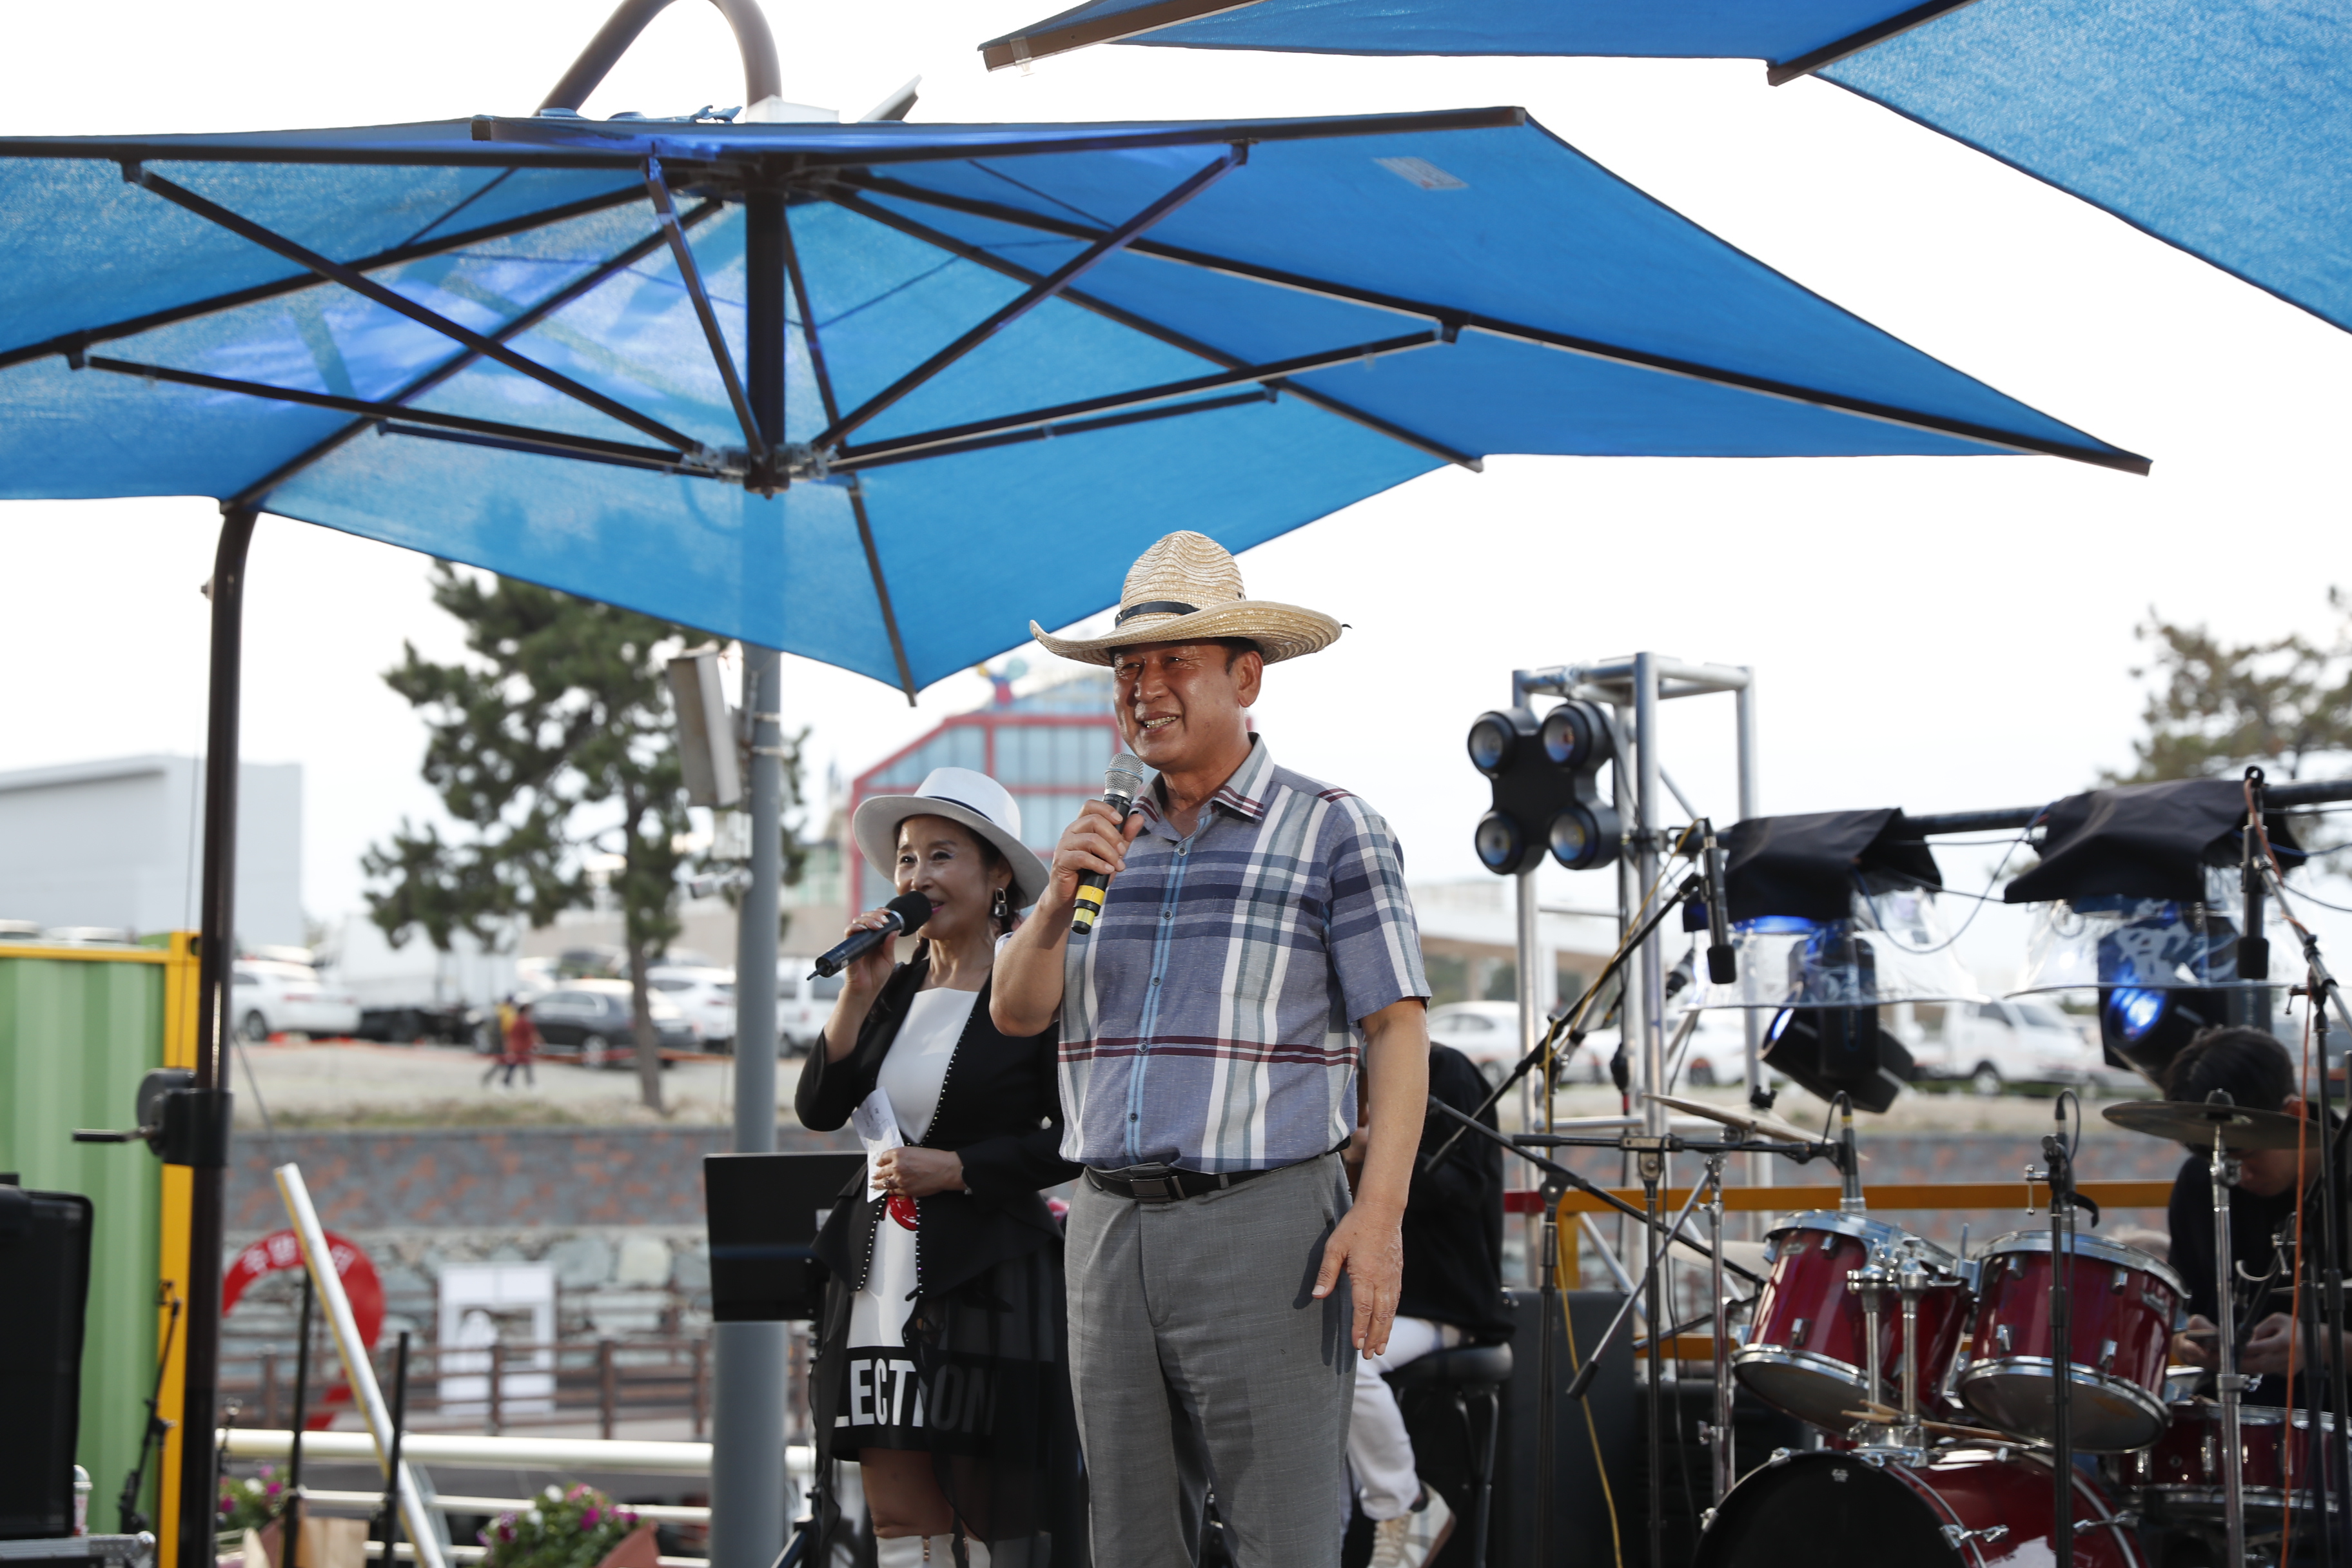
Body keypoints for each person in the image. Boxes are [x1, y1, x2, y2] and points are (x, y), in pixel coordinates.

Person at [994, 531, 1433, 1568]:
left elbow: (1398, 1034)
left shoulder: (1332, 829)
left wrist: (1377, 1223)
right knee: (1131, 1544)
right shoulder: (1099, 839)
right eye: (1127, 670)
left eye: (1171, 664)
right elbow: (1015, 1014)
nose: (1142, 689)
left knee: (1283, 1535)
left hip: (1266, 1220)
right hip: (1104, 1224)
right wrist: (1055, 901)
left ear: (1247, 676)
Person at [796, 769, 1084, 1567]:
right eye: (906, 858)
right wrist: (859, 992)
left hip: (985, 1271)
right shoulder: (893, 983)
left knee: (991, 1510)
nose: (917, 876)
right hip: (879, 1271)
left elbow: (1073, 1135)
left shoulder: (1036, 982)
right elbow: (820, 1106)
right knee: (897, 1516)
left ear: (998, 874)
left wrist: (959, 1167)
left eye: (942, 854)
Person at [1343, 1041, 1514, 1567]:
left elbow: (1464, 1186)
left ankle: (1405, 1502)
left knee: (1345, 1364)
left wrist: (1372, 1150)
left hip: (1442, 1303)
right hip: (1365, 1295)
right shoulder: (1331, 1074)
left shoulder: (1444, 1069)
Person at [2162, 1025, 2347, 1392]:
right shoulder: (2201, 1182)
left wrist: (2324, 1346)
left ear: (2294, 1113)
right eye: (2216, 1160)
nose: (2233, 1175)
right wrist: (2183, 1337)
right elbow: (2175, 1312)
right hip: (2232, 1422)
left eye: (2244, 1156)